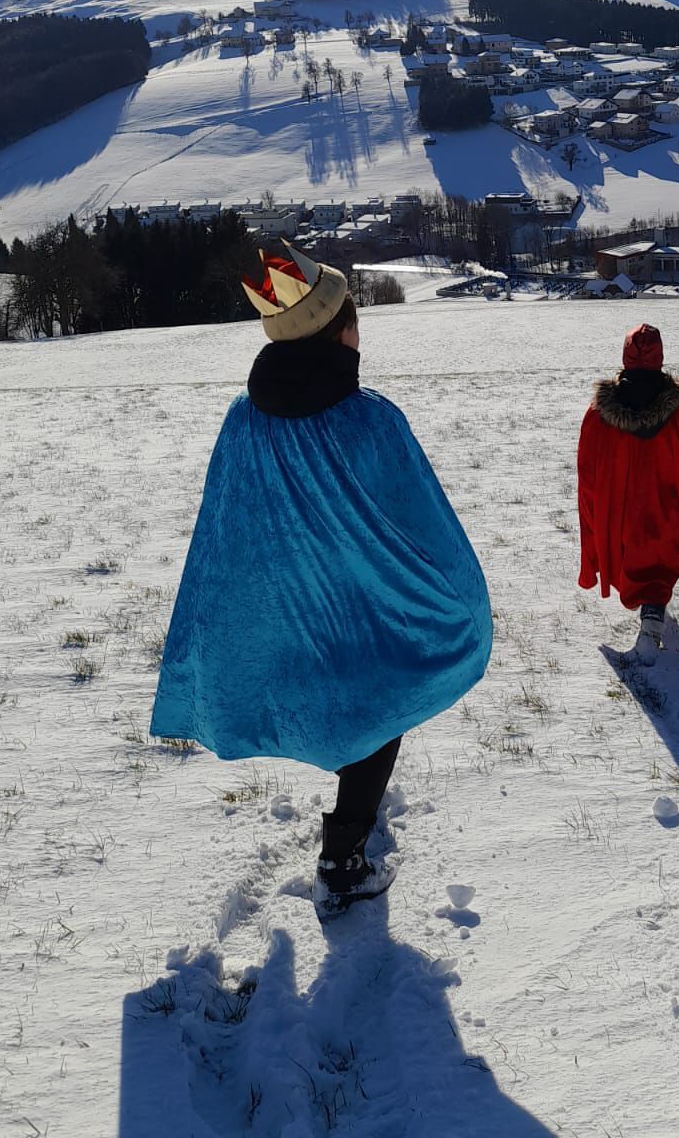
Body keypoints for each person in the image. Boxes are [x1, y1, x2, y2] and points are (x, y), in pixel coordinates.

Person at [151, 243, 492, 916]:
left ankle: (350, 828)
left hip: (290, 606)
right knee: (379, 697)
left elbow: (230, 523)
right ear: (339, 332)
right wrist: (455, 596)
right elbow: (420, 518)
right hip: (364, 606)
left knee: (359, 704)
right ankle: (342, 859)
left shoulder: (244, 417)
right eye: (355, 319)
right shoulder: (371, 420)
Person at [577, 323, 679, 657]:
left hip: (620, 513)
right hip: (664, 509)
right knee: (657, 567)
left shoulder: (599, 413)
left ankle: (650, 622)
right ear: (659, 356)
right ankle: (652, 619)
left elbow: (588, 470)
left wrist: (594, 513)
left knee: (632, 562)